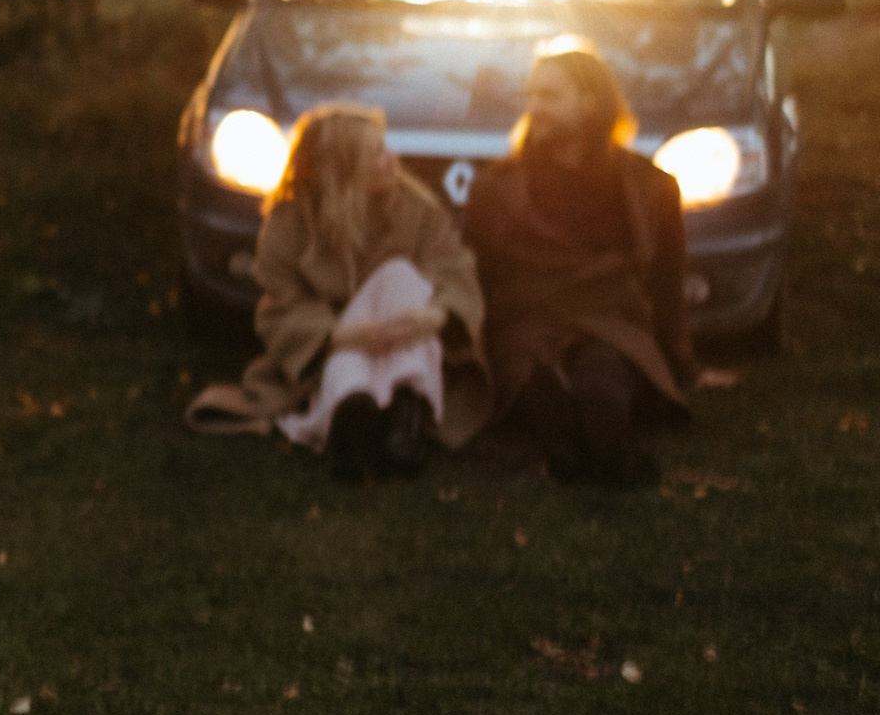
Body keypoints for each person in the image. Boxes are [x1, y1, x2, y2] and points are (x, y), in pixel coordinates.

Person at [461, 46, 734, 486]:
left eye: (550, 96)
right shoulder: (499, 187)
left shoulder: (650, 187)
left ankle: (610, 443)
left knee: (600, 383)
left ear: (590, 102)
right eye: (532, 96)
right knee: (541, 387)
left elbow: (667, 283)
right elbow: (475, 277)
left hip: (611, 321)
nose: (535, 108)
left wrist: (687, 367)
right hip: (528, 324)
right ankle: (568, 440)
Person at [186, 105, 491, 479]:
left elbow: (452, 267)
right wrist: (344, 335)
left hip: (408, 335)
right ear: (343, 171)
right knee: (348, 357)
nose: (391, 159)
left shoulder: (416, 209)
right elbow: (282, 306)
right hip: (338, 348)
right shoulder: (289, 225)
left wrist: (434, 315)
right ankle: (353, 412)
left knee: (399, 276)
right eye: (376, 154)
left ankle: (405, 411)